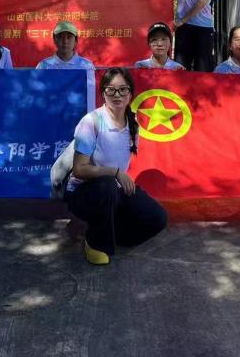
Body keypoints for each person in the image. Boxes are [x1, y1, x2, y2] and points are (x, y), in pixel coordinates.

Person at [65, 68, 168, 265]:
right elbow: (79, 169)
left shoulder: (133, 123)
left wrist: (118, 177)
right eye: (111, 90)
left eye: (123, 89)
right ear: (103, 93)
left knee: (158, 218)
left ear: (131, 94)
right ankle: (95, 242)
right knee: (107, 184)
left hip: (114, 191)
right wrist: (115, 172)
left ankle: (113, 234)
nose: (117, 95)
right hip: (84, 193)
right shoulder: (91, 122)